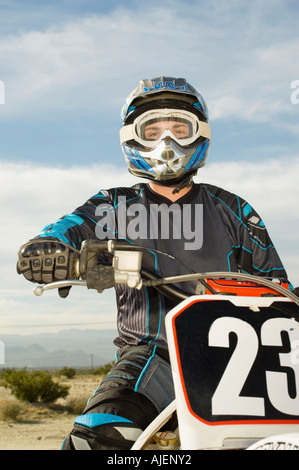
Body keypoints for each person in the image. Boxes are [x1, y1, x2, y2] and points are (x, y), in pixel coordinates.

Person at [17, 77, 290, 450]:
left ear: (200, 134)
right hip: (152, 355)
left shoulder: (234, 210)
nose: (168, 141)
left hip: (244, 355)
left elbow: (278, 287)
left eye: (180, 128)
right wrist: (49, 247)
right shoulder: (112, 205)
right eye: (154, 130)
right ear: (133, 137)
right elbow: (68, 228)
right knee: (98, 437)